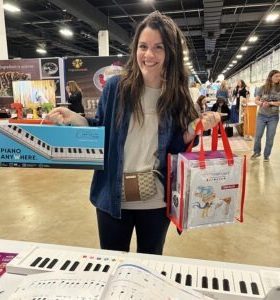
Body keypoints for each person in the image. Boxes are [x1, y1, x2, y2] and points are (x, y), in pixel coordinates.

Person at [46, 11, 220, 255]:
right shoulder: (116, 88)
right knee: (112, 263)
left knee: (149, 265)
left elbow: (175, 148)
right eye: (143, 46)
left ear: (170, 52)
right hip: (113, 198)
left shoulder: (177, 95)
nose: (149, 55)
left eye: (158, 47)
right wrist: (75, 119)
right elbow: (101, 134)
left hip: (156, 201)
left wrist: (194, 130)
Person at [250, 70, 280, 162]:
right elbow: (256, 100)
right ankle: (257, 152)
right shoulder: (263, 88)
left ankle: (266, 155)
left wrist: (271, 102)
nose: (278, 78)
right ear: (270, 77)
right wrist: (262, 104)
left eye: (279, 76)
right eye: (276, 76)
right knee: (258, 135)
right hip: (261, 115)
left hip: (273, 117)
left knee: (270, 137)